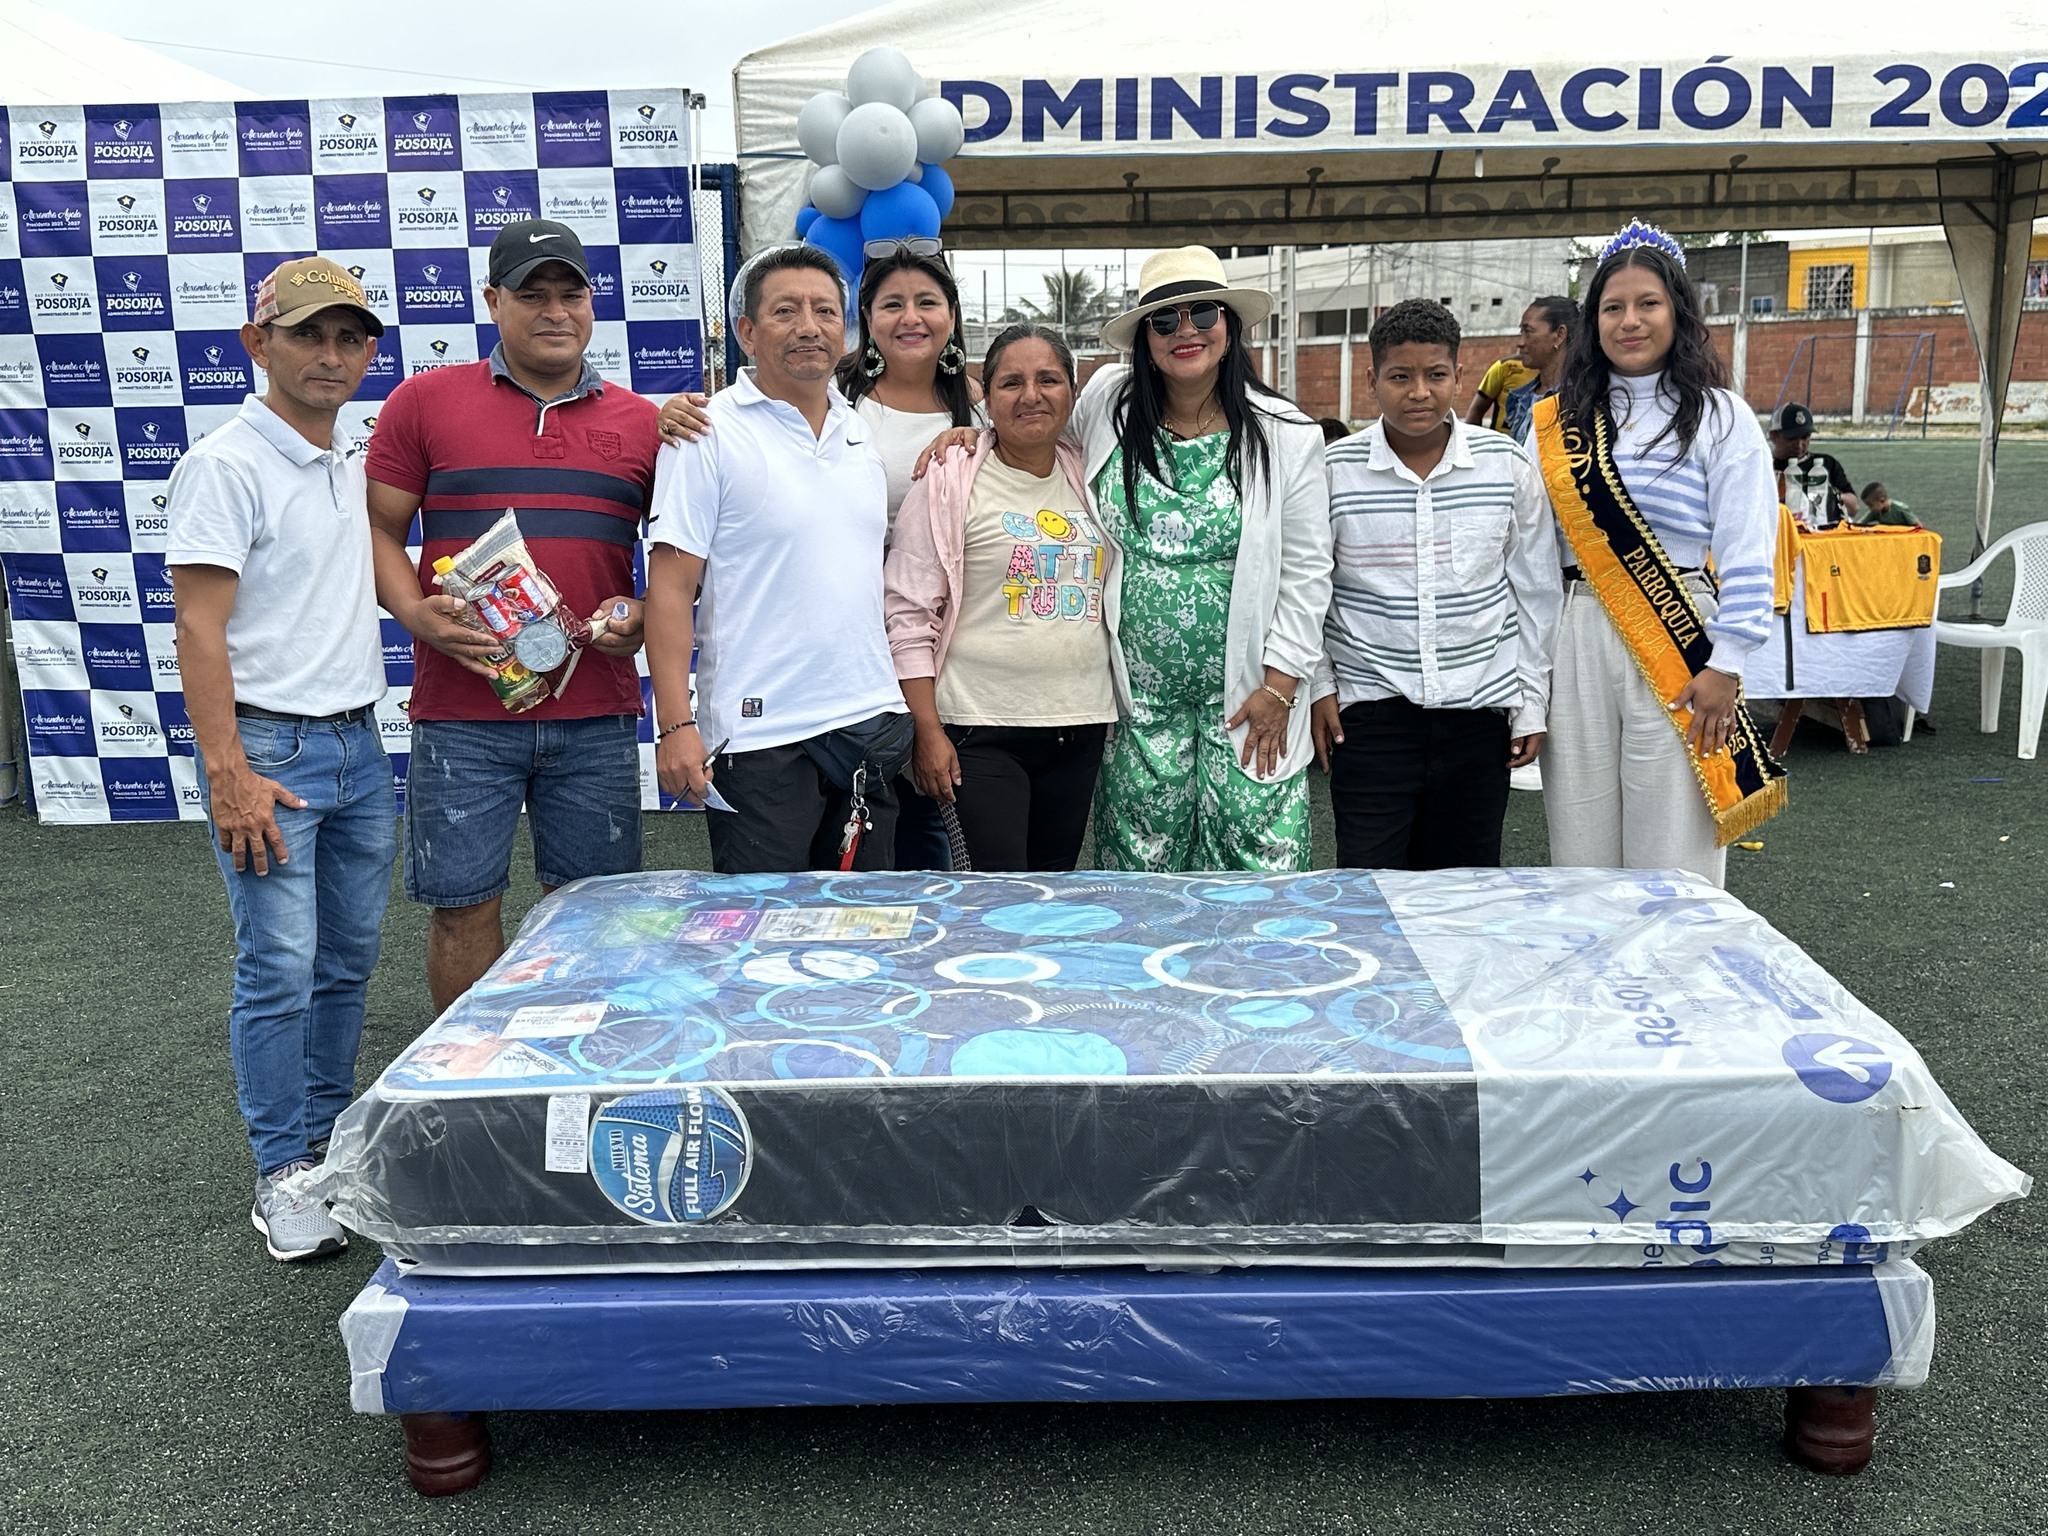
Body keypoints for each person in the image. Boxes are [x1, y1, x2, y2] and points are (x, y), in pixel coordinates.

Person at [366, 219, 658, 1013]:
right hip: (463, 713)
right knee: (463, 910)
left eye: (572, 294)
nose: (555, 311)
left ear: (592, 303)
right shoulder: (423, 401)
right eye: (533, 295)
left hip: (596, 712)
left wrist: (639, 611)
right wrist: (413, 612)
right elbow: (378, 529)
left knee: (596, 914)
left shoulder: (644, 422)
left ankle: (585, 1065)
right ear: (494, 302)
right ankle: (471, 1075)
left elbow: (677, 564)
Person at [167, 257, 392, 1261]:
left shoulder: (345, 457)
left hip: (358, 744)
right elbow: (197, 628)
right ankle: (281, 1171)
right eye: (307, 335)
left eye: (349, 337)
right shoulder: (226, 464)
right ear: (258, 344)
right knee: (279, 968)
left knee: (343, 963)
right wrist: (228, 772)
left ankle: (328, 1147)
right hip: (271, 751)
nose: (330, 355)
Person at [661, 244, 983, 870]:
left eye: (825, 311)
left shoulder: (857, 431)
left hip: (868, 723)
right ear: (747, 332)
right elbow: (672, 589)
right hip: (761, 737)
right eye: (785, 311)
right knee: (766, 924)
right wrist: (675, 724)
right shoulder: (705, 431)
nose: (808, 326)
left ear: (845, 331)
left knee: (866, 922)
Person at [1530, 221, 1786, 887]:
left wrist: (1727, 664)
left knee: (1674, 848)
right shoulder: (1555, 421)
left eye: (1648, 303)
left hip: (1679, 636)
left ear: (1679, 311)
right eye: (1612, 307)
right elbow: (1532, 553)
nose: (1630, 321)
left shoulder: (1720, 416)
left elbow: (1750, 549)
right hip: (1574, 629)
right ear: (1592, 323)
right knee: (1579, 843)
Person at [1081, 247, 1332, 872]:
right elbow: (1033, 438)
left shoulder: (1287, 433)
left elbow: (1307, 572)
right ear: (1144, 339)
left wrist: (1281, 687)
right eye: (1165, 320)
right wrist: (970, 433)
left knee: (1258, 873)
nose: (1185, 330)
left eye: (1203, 314)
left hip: (1250, 700)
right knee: (1140, 874)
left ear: (1230, 326)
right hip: (1137, 709)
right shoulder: (1107, 407)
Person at [1310, 300, 1560, 870]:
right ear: (1372, 380)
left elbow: (1536, 592)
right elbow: (1310, 591)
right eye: (1400, 376)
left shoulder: (1505, 464)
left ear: (1459, 376)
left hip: (1478, 717)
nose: (1419, 392)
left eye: (1436, 375)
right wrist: (1321, 686)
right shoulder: (1333, 471)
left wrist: (1530, 702)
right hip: (1369, 718)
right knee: (1369, 888)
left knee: (1464, 892)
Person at [884, 322, 1113, 871]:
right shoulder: (949, 478)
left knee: (1053, 889)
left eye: (1048, 380)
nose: (1031, 395)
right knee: (995, 895)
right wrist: (927, 730)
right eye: (1011, 382)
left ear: (1072, 393)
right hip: (977, 728)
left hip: (1078, 725)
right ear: (985, 396)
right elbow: (907, 615)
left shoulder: (1093, 471)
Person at [1466, 297, 1577, 443]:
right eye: (1521, 332)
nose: (1520, 343)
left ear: (1559, 335)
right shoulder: (1520, 398)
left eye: (1528, 332)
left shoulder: (1579, 401)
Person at [1768, 401, 1859, 527]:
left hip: (1823, 533)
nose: (1799, 445)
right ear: (1773, 436)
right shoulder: (1765, 466)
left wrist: (1831, 493)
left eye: (1805, 437)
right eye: (1792, 438)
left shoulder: (1826, 464)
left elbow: (1853, 508)